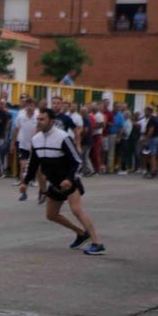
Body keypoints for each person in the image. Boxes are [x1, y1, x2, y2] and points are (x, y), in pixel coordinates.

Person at [20, 107, 105, 256]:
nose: (39, 122)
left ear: (51, 121)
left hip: (70, 181)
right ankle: (80, 233)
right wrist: (25, 182)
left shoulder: (62, 137)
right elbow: (34, 163)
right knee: (51, 215)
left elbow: (76, 161)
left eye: (42, 119)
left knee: (76, 210)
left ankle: (97, 243)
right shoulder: (36, 139)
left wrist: (69, 179)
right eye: (38, 119)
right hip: (55, 183)